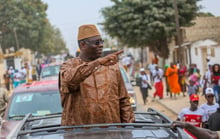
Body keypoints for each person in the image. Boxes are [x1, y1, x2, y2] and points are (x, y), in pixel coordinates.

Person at [59, 24, 135, 126]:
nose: (101, 45)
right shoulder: (69, 66)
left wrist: (129, 129)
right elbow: (69, 81)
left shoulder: (112, 67)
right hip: (78, 134)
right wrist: (97, 63)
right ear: (82, 45)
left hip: (111, 132)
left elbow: (124, 100)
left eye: (101, 41)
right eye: (96, 42)